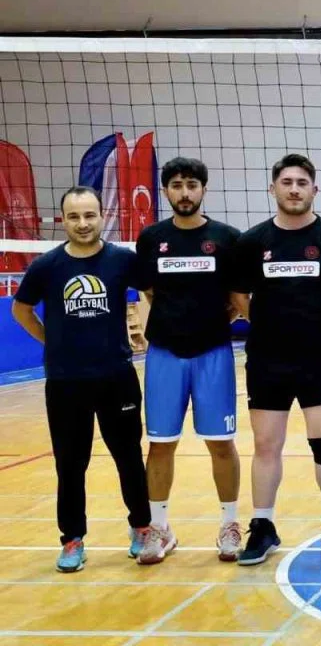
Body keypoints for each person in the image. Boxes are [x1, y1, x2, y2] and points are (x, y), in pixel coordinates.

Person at [230, 154, 321, 566]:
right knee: (266, 445)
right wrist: (267, 323)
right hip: (267, 359)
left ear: (314, 190)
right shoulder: (252, 241)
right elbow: (238, 295)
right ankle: (263, 526)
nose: (294, 189)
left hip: (319, 358)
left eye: (302, 183)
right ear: (273, 189)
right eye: (286, 182)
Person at [11, 186, 152, 572]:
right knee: (70, 464)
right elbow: (21, 309)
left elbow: (152, 292)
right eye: (74, 216)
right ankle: (72, 539)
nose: (83, 223)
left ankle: (142, 527)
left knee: (128, 457)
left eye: (90, 215)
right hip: (65, 381)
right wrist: (51, 340)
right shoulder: (47, 266)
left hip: (116, 377)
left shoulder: (122, 260)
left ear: (101, 216)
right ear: (63, 221)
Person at [133, 157, 243, 565]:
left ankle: (229, 524)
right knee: (160, 444)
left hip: (213, 353)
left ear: (203, 190)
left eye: (192, 185)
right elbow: (149, 291)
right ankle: (160, 528)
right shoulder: (151, 238)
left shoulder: (227, 238)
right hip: (164, 353)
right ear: (165, 191)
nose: (184, 193)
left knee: (221, 442)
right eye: (176, 185)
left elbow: (237, 297)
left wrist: (212, 319)